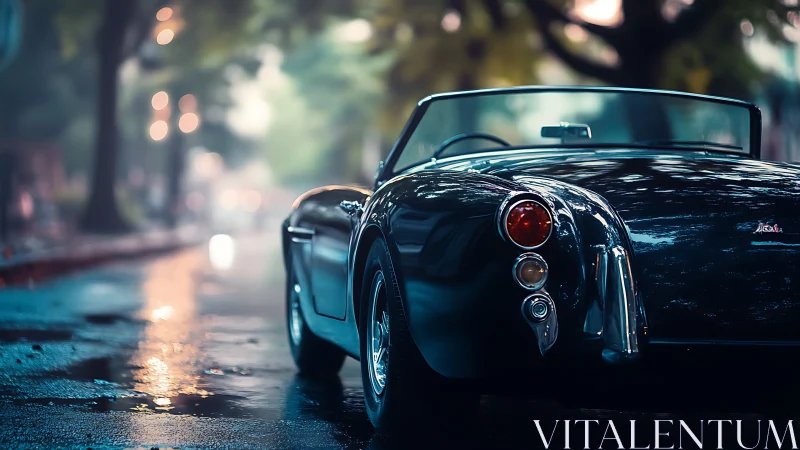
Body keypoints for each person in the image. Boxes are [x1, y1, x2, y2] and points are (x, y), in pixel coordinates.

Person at [0, 148, 15, 242]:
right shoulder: (8, 172)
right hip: (5, 195)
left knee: (4, 214)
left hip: (4, 195)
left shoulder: (7, 173)